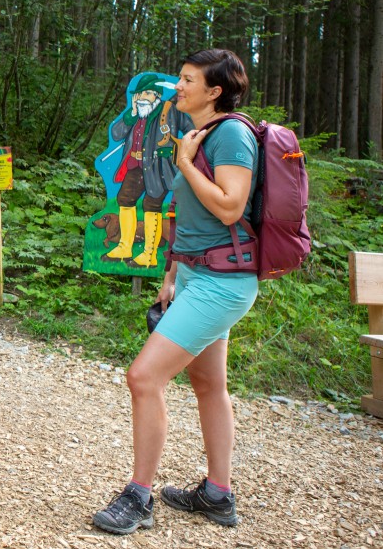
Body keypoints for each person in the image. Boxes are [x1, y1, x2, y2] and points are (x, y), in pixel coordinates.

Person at [92, 49, 258, 534]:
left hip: (222, 282)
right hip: (194, 274)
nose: (177, 87)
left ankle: (138, 497)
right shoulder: (196, 134)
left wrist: (185, 164)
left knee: (143, 378)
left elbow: (230, 208)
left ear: (215, 92)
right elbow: (188, 218)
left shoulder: (231, 134)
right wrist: (171, 274)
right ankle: (217, 495)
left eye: (187, 80)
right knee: (208, 385)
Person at [103, 74, 194, 268]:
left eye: (150, 93)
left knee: (152, 205)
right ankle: (124, 246)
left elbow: (192, 129)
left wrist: (178, 150)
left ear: (157, 96)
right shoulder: (136, 113)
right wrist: (132, 112)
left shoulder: (170, 110)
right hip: (135, 167)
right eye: (142, 93)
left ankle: (149, 254)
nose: (145, 97)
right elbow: (116, 134)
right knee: (125, 201)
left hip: (158, 168)